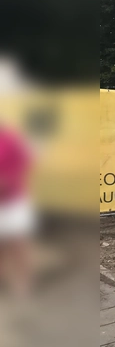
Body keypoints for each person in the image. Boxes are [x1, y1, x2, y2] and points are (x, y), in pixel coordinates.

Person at [0, 124, 35, 297]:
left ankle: (22, 285)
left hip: (12, 201)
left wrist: (8, 180)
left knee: (18, 244)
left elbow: (25, 162)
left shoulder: (10, 139)